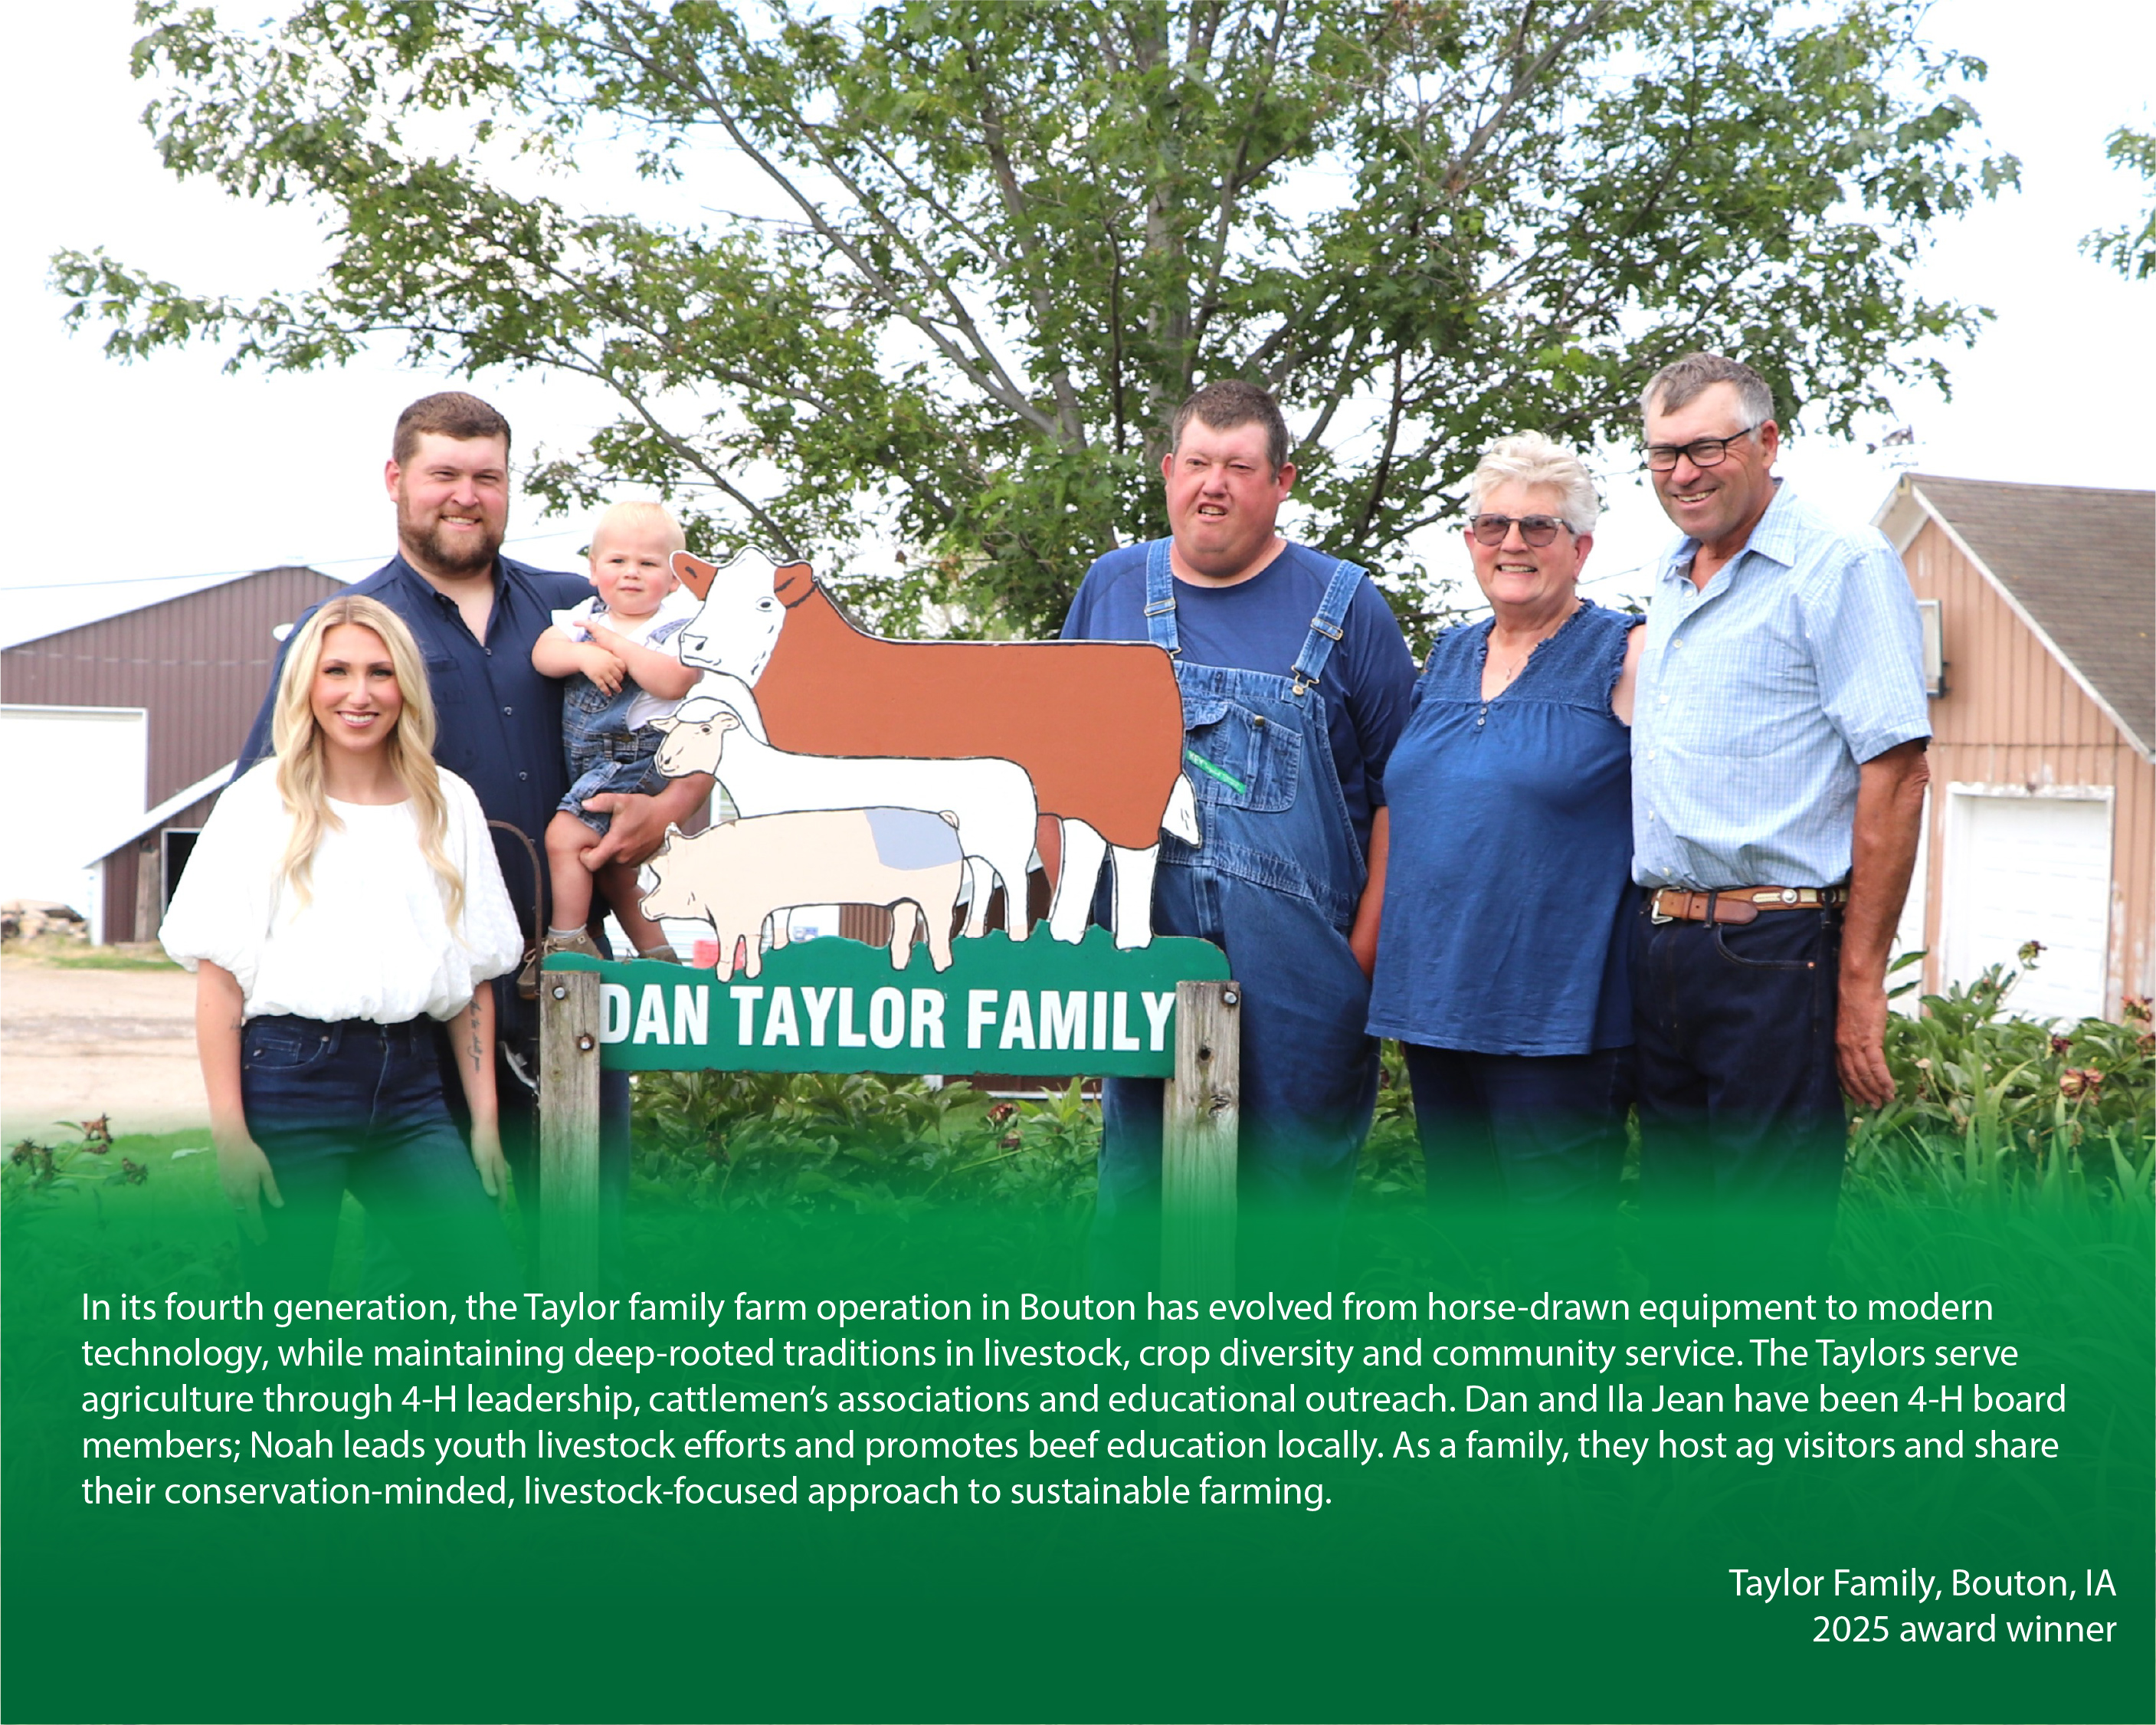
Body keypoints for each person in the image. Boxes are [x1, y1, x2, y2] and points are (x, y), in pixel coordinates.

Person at [234, 392, 713, 1234]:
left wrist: (671, 804)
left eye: (486, 476)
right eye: (443, 474)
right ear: (395, 480)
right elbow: (270, 818)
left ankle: (570, 1370)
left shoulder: (585, 608)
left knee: (583, 1233)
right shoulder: (347, 636)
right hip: (427, 1008)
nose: (465, 495)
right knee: (439, 1257)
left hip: (573, 977)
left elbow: (704, 719)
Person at [1060, 380, 1418, 1281]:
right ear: (1168, 470)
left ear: (1282, 480)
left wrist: (1358, 965)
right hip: (1142, 963)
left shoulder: (1347, 604)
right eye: (1196, 464)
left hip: (1304, 988)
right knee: (1136, 1225)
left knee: (1285, 1238)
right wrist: (1076, 940)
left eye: (1239, 467)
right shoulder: (1111, 589)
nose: (1212, 486)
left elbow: (1403, 800)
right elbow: (1054, 761)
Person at [1629, 352, 1931, 1282]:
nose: (1684, 473)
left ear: (1766, 442)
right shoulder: (1672, 581)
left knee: (1764, 1260)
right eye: (1663, 454)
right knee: (1680, 1251)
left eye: (1708, 447)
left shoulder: (1839, 565)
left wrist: (1860, 983)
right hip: (1665, 947)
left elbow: (1897, 772)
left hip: (1776, 949)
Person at [163, 596, 525, 1296]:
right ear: (307, 685)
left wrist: (482, 1123)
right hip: (289, 1080)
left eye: (381, 673)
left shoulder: (449, 803)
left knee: (487, 1287)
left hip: (414, 1091)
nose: (360, 694)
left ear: (405, 688)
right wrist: (232, 1138)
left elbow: (473, 978)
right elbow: (219, 982)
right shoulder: (259, 802)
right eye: (338, 671)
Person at [1365, 433, 1643, 1286]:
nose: (1512, 543)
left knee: (1556, 1265)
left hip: (1556, 1017)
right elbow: (1396, 807)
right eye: (1493, 525)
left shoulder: (1626, 652)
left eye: (1539, 527)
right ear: (1470, 542)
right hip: (1437, 1004)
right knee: (1464, 1250)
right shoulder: (1447, 654)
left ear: (1581, 548)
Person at [530, 500, 701, 975]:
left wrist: (611, 645)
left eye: (648, 564)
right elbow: (544, 655)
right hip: (589, 760)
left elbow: (674, 682)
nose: (631, 573)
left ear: (674, 580)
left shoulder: (676, 626)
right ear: (593, 569)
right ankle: (661, 959)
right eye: (617, 561)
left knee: (564, 837)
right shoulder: (585, 613)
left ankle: (566, 946)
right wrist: (582, 658)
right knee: (614, 871)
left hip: (635, 759)